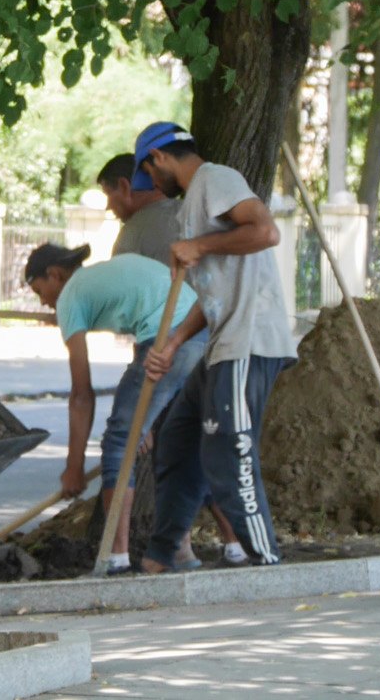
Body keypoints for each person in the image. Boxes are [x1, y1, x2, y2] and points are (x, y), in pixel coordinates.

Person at [137, 122, 296, 571]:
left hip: (249, 342)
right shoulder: (192, 204)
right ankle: (161, 557)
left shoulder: (216, 178)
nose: (151, 184)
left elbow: (266, 232)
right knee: (177, 439)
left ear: (160, 158)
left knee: (229, 451)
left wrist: (199, 245)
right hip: (222, 345)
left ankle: (266, 560)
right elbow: (214, 297)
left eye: (149, 173)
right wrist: (173, 343)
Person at [24, 243, 237, 572]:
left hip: (171, 339)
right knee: (181, 445)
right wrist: (146, 422)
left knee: (118, 443)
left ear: (54, 275)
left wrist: (74, 466)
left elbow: (82, 393)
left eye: (40, 290)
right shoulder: (107, 276)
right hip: (203, 332)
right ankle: (230, 547)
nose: (42, 301)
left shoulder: (70, 296)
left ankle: (117, 557)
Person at [96, 152, 181, 267]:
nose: (108, 207)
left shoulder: (132, 234)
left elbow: (121, 284)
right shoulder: (193, 211)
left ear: (124, 186)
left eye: (108, 194)